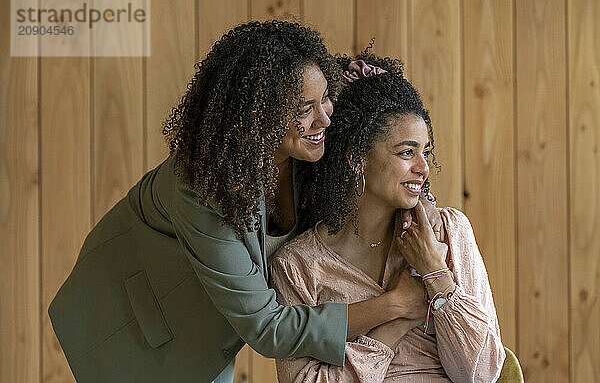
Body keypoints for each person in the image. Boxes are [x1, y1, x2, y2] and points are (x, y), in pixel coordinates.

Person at [48, 22, 442, 383]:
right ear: (258, 116)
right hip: (129, 323)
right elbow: (267, 327)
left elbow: (389, 157)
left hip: (204, 332)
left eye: (327, 98)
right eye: (304, 110)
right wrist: (395, 305)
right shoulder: (203, 186)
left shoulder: (310, 155)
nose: (325, 119)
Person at [270, 55, 506, 382]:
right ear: (357, 158)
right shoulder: (297, 267)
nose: (423, 167)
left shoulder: (449, 231)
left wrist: (435, 274)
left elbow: (481, 375)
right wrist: (399, 317)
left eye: (426, 152)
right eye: (407, 152)